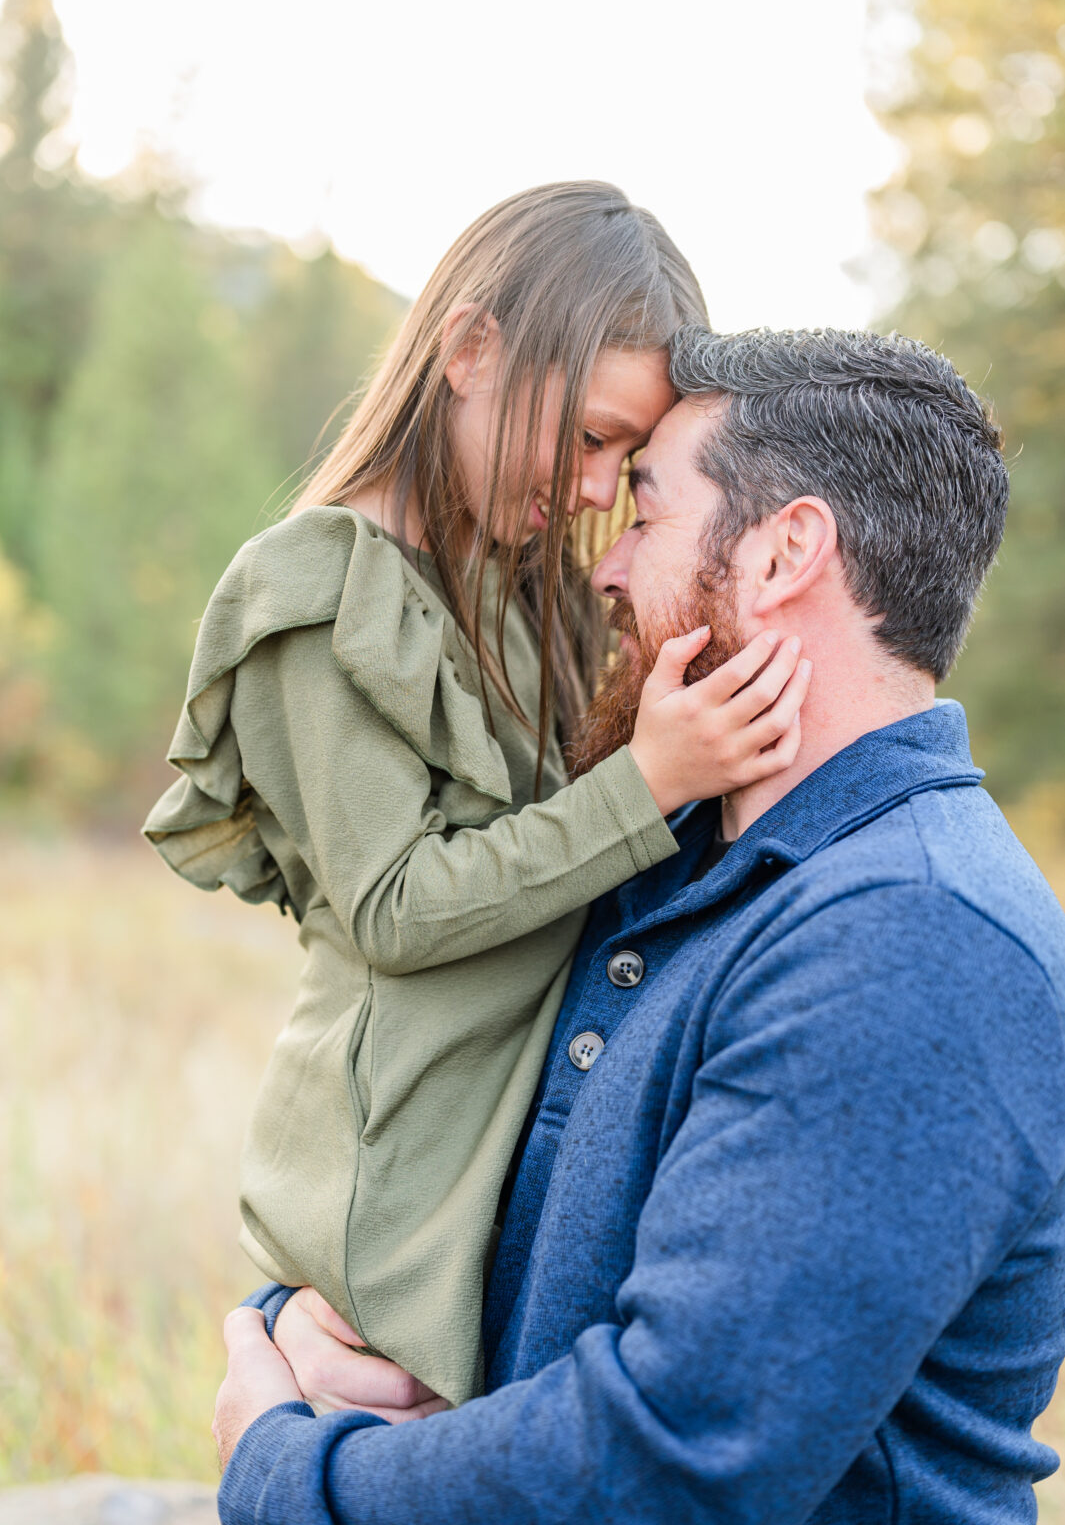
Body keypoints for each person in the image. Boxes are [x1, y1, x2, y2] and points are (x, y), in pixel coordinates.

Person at [213, 326, 1065, 1525]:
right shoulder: (677, 876)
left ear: (784, 553)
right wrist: (306, 1333)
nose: (602, 571)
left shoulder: (914, 939)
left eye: (649, 517)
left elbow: (676, 1458)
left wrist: (289, 1471)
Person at [142, 184, 809, 1410]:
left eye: (631, 455)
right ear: (469, 350)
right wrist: (653, 780)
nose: (601, 485)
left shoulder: (529, 585)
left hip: (508, 1167)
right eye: (592, 435)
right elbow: (394, 905)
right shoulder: (318, 591)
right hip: (392, 1191)